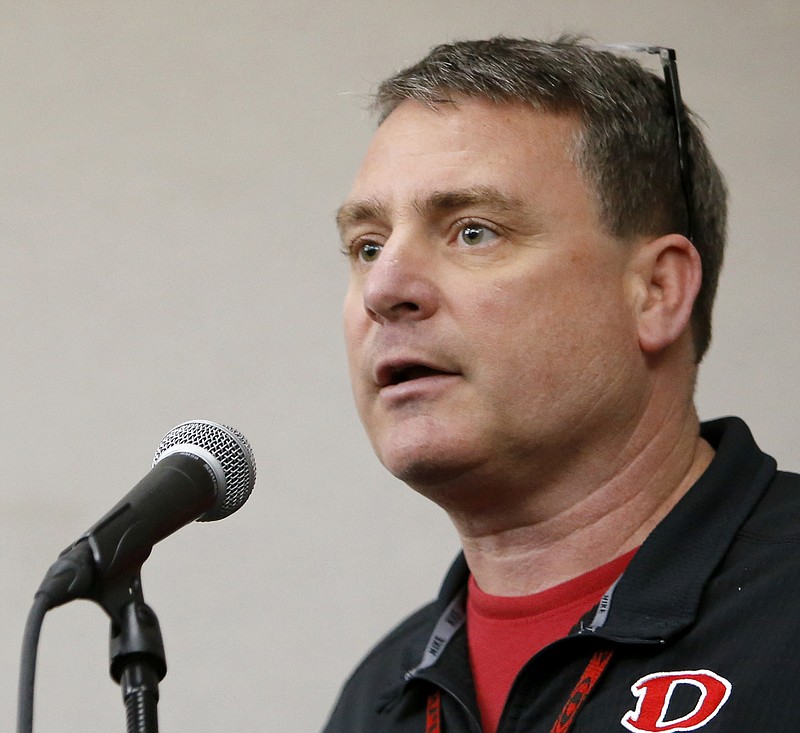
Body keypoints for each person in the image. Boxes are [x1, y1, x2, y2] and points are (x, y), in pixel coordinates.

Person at [324, 36, 800, 733]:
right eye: (367, 247)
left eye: (473, 232)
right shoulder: (375, 699)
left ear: (657, 292)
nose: (385, 289)